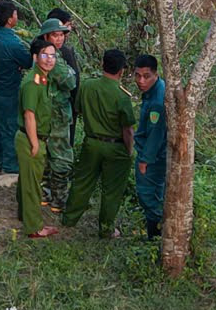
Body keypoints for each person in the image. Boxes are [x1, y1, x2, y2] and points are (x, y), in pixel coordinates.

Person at [62, 49, 137, 238]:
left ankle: (69, 219)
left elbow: (77, 110)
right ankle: (106, 229)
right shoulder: (122, 96)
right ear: (122, 71)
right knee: (112, 190)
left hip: (91, 143)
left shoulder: (87, 86)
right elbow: (127, 129)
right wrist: (129, 151)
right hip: (116, 147)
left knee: (82, 182)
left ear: (102, 64)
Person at [17, 43, 64, 238]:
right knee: (32, 185)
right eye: (45, 55)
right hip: (30, 138)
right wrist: (35, 143)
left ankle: (24, 215)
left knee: (26, 180)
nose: (49, 59)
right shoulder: (32, 82)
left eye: (53, 56)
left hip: (36, 138)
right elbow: (29, 115)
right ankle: (34, 227)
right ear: (35, 57)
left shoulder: (43, 79)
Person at [0, 1, 33, 178]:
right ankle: (10, 166)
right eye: (16, 14)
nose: (17, 16)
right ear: (11, 19)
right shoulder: (13, 43)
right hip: (8, 90)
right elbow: (28, 62)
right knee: (9, 127)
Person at [35, 17, 80, 208]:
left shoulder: (41, 54)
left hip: (46, 111)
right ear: (46, 36)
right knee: (61, 156)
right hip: (57, 114)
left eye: (62, 34)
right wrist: (70, 71)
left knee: (46, 154)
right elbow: (71, 81)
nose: (60, 39)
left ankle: (44, 194)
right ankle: (59, 199)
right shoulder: (52, 58)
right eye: (56, 35)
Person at [132, 54, 168, 239]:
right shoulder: (154, 91)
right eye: (137, 75)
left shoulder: (157, 101)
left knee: (149, 195)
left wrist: (145, 161)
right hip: (154, 155)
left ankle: (155, 239)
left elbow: (156, 134)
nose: (141, 81)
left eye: (146, 76)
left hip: (154, 158)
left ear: (156, 74)